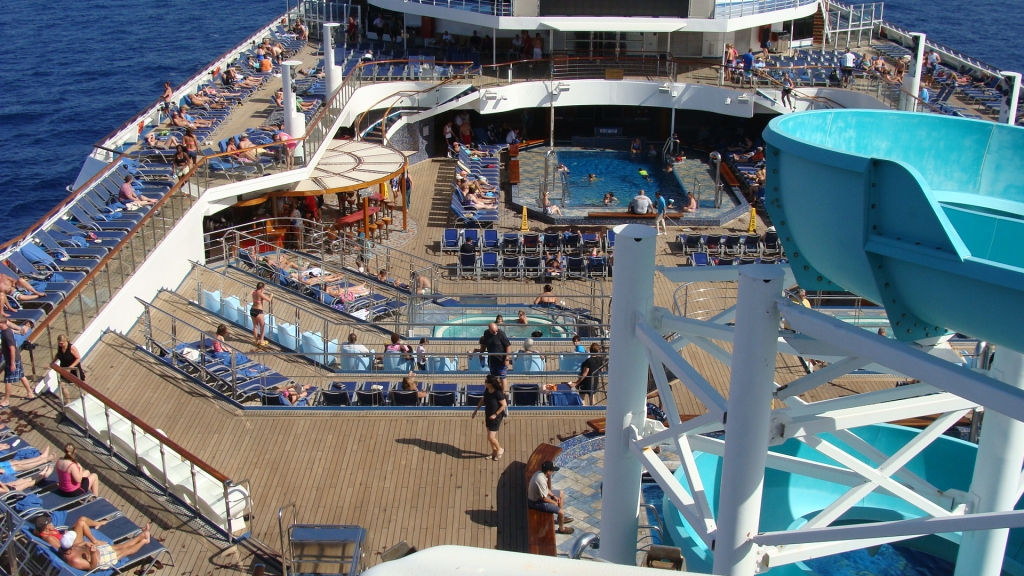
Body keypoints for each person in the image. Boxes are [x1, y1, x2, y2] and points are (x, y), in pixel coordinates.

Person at [61, 525, 152, 571]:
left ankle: (142, 535)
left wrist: (86, 543)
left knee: (120, 546)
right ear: (70, 547)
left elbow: (78, 545)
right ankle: (144, 541)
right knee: (125, 551)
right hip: (101, 560)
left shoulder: (65, 548)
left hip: (98, 551)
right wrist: (92, 553)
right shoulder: (75, 560)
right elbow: (92, 567)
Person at [527, 461, 574, 535]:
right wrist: (554, 502)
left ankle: (560, 519)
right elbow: (544, 498)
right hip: (536, 502)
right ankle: (562, 529)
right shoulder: (540, 480)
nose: (553, 472)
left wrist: (553, 496)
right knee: (561, 512)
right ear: (548, 471)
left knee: (561, 493)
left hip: (540, 497)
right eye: (552, 471)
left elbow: (545, 489)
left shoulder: (540, 474)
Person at [471, 375, 507, 460]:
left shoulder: (498, 393)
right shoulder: (487, 390)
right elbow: (483, 400)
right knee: (489, 437)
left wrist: (496, 414)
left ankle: (499, 449)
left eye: (486, 382)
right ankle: (494, 451)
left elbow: (503, 405)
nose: (484, 383)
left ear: (490, 384)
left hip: (496, 417)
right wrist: (476, 410)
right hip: (488, 415)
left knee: (491, 437)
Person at [1, 317, 34, 406]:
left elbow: (12, 349)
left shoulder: (7, 333)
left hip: (13, 359)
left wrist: (12, 363)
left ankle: (6, 401)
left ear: (3, 323)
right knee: (21, 375)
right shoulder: (6, 332)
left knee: (8, 380)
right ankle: (30, 393)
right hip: (16, 358)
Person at [34, 513, 108, 550]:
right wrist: (83, 543)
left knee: (82, 518)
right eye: (50, 523)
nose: (52, 523)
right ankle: (95, 541)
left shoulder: (47, 531)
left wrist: (65, 534)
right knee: (81, 523)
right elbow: (62, 549)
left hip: (68, 537)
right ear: (47, 527)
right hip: (74, 545)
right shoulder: (49, 538)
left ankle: (97, 523)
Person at [479, 323, 511, 388]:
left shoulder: (501, 334)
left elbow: (508, 346)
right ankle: (495, 391)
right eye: (493, 332)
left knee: (502, 377)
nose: (495, 332)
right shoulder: (486, 333)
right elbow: (484, 344)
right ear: (489, 330)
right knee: (493, 378)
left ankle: (503, 393)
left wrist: (507, 358)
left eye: (496, 331)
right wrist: (481, 353)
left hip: (501, 360)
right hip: (492, 360)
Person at [53, 334, 83, 403]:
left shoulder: (71, 347)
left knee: (79, 385)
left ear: (66, 341)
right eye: (59, 343)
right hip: (64, 368)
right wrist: (52, 363)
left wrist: (70, 367)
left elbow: (78, 358)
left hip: (74, 369)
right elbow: (58, 355)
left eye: (62, 343)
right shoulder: (60, 347)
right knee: (62, 385)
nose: (60, 345)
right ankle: (68, 401)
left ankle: (85, 396)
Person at [251, 282, 273, 346]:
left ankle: (256, 341)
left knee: (255, 326)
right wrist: (271, 296)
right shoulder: (260, 293)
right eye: (263, 288)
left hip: (252, 310)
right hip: (258, 311)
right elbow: (269, 300)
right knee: (262, 326)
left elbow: (259, 296)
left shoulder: (254, 292)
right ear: (261, 288)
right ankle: (262, 341)